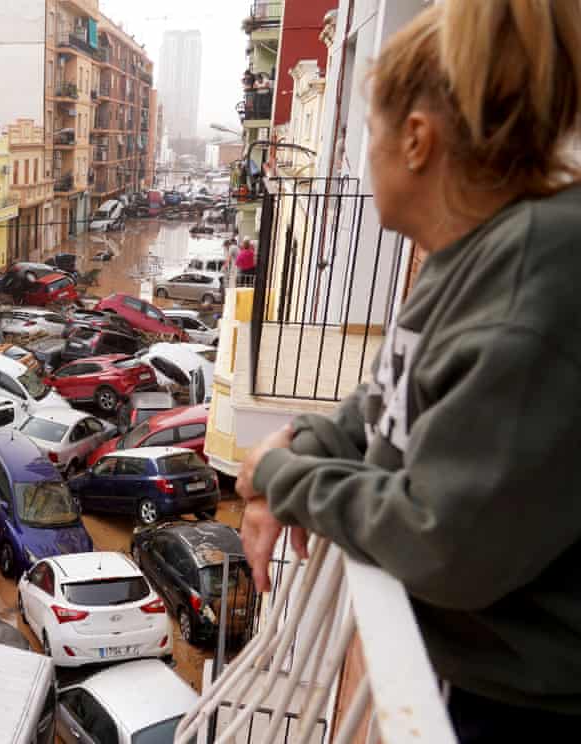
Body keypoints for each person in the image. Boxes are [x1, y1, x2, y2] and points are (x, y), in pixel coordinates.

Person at [236, 2, 581, 742]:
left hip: (527, 711)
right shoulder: (473, 257)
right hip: (477, 679)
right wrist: (305, 445)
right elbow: (382, 401)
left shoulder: (532, 282)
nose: (367, 156)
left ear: (416, 140)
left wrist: (281, 478)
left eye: (371, 133)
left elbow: (441, 541)